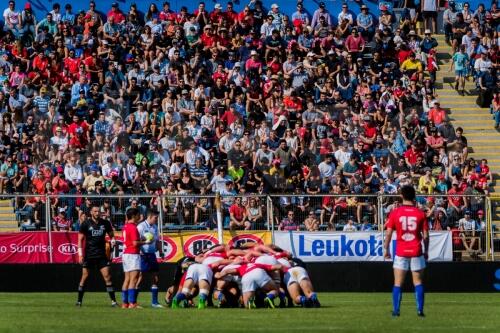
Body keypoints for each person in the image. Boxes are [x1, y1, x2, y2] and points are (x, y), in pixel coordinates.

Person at [384, 185, 429, 317]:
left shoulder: (395, 212)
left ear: (402, 196)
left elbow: (388, 234)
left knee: (398, 283)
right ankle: (420, 310)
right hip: (416, 251)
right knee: (418, 282)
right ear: (414, 196)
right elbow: (426, 235)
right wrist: (426, 251)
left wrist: (386, 249)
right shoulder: (420, 213)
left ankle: (396, 311)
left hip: (401, 252)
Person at [76, 204, 117, 307]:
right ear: (91, 212)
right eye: (95, 211)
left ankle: (113, 302)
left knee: (107, 277)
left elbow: (112, 236)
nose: (97, 213)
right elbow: (80, 240)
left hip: (101, 255)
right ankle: (79, 301)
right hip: (89, 255)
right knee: (84, 277)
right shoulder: (85, 223)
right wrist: (80, 255)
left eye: (98, 211)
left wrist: (113, 241)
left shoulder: (106, 223)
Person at [121, 207, 150, 309]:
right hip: (133, 254)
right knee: (134, 279)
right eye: (138, 215)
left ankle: (125, 303)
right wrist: (146, 242)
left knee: (127, 279)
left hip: (125, 254)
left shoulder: (126, 226)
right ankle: (132, 303)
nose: (140, 216)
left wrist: (140, 239)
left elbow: (130, 240)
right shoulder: (133, 227)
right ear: (134, 216)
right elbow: (134, 243)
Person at [137, 209, 164, 308]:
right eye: (155, 218)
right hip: (142, 255)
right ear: (149, 216)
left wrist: (161, 252)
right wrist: (140, 247)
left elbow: (157, 241)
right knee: (139, 277)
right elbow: (136, 240)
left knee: (155, 278)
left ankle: (155, 303)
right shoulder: (140, 227)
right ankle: (133, 302)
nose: (156, 220)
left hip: (152, 254)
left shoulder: (155, 227)